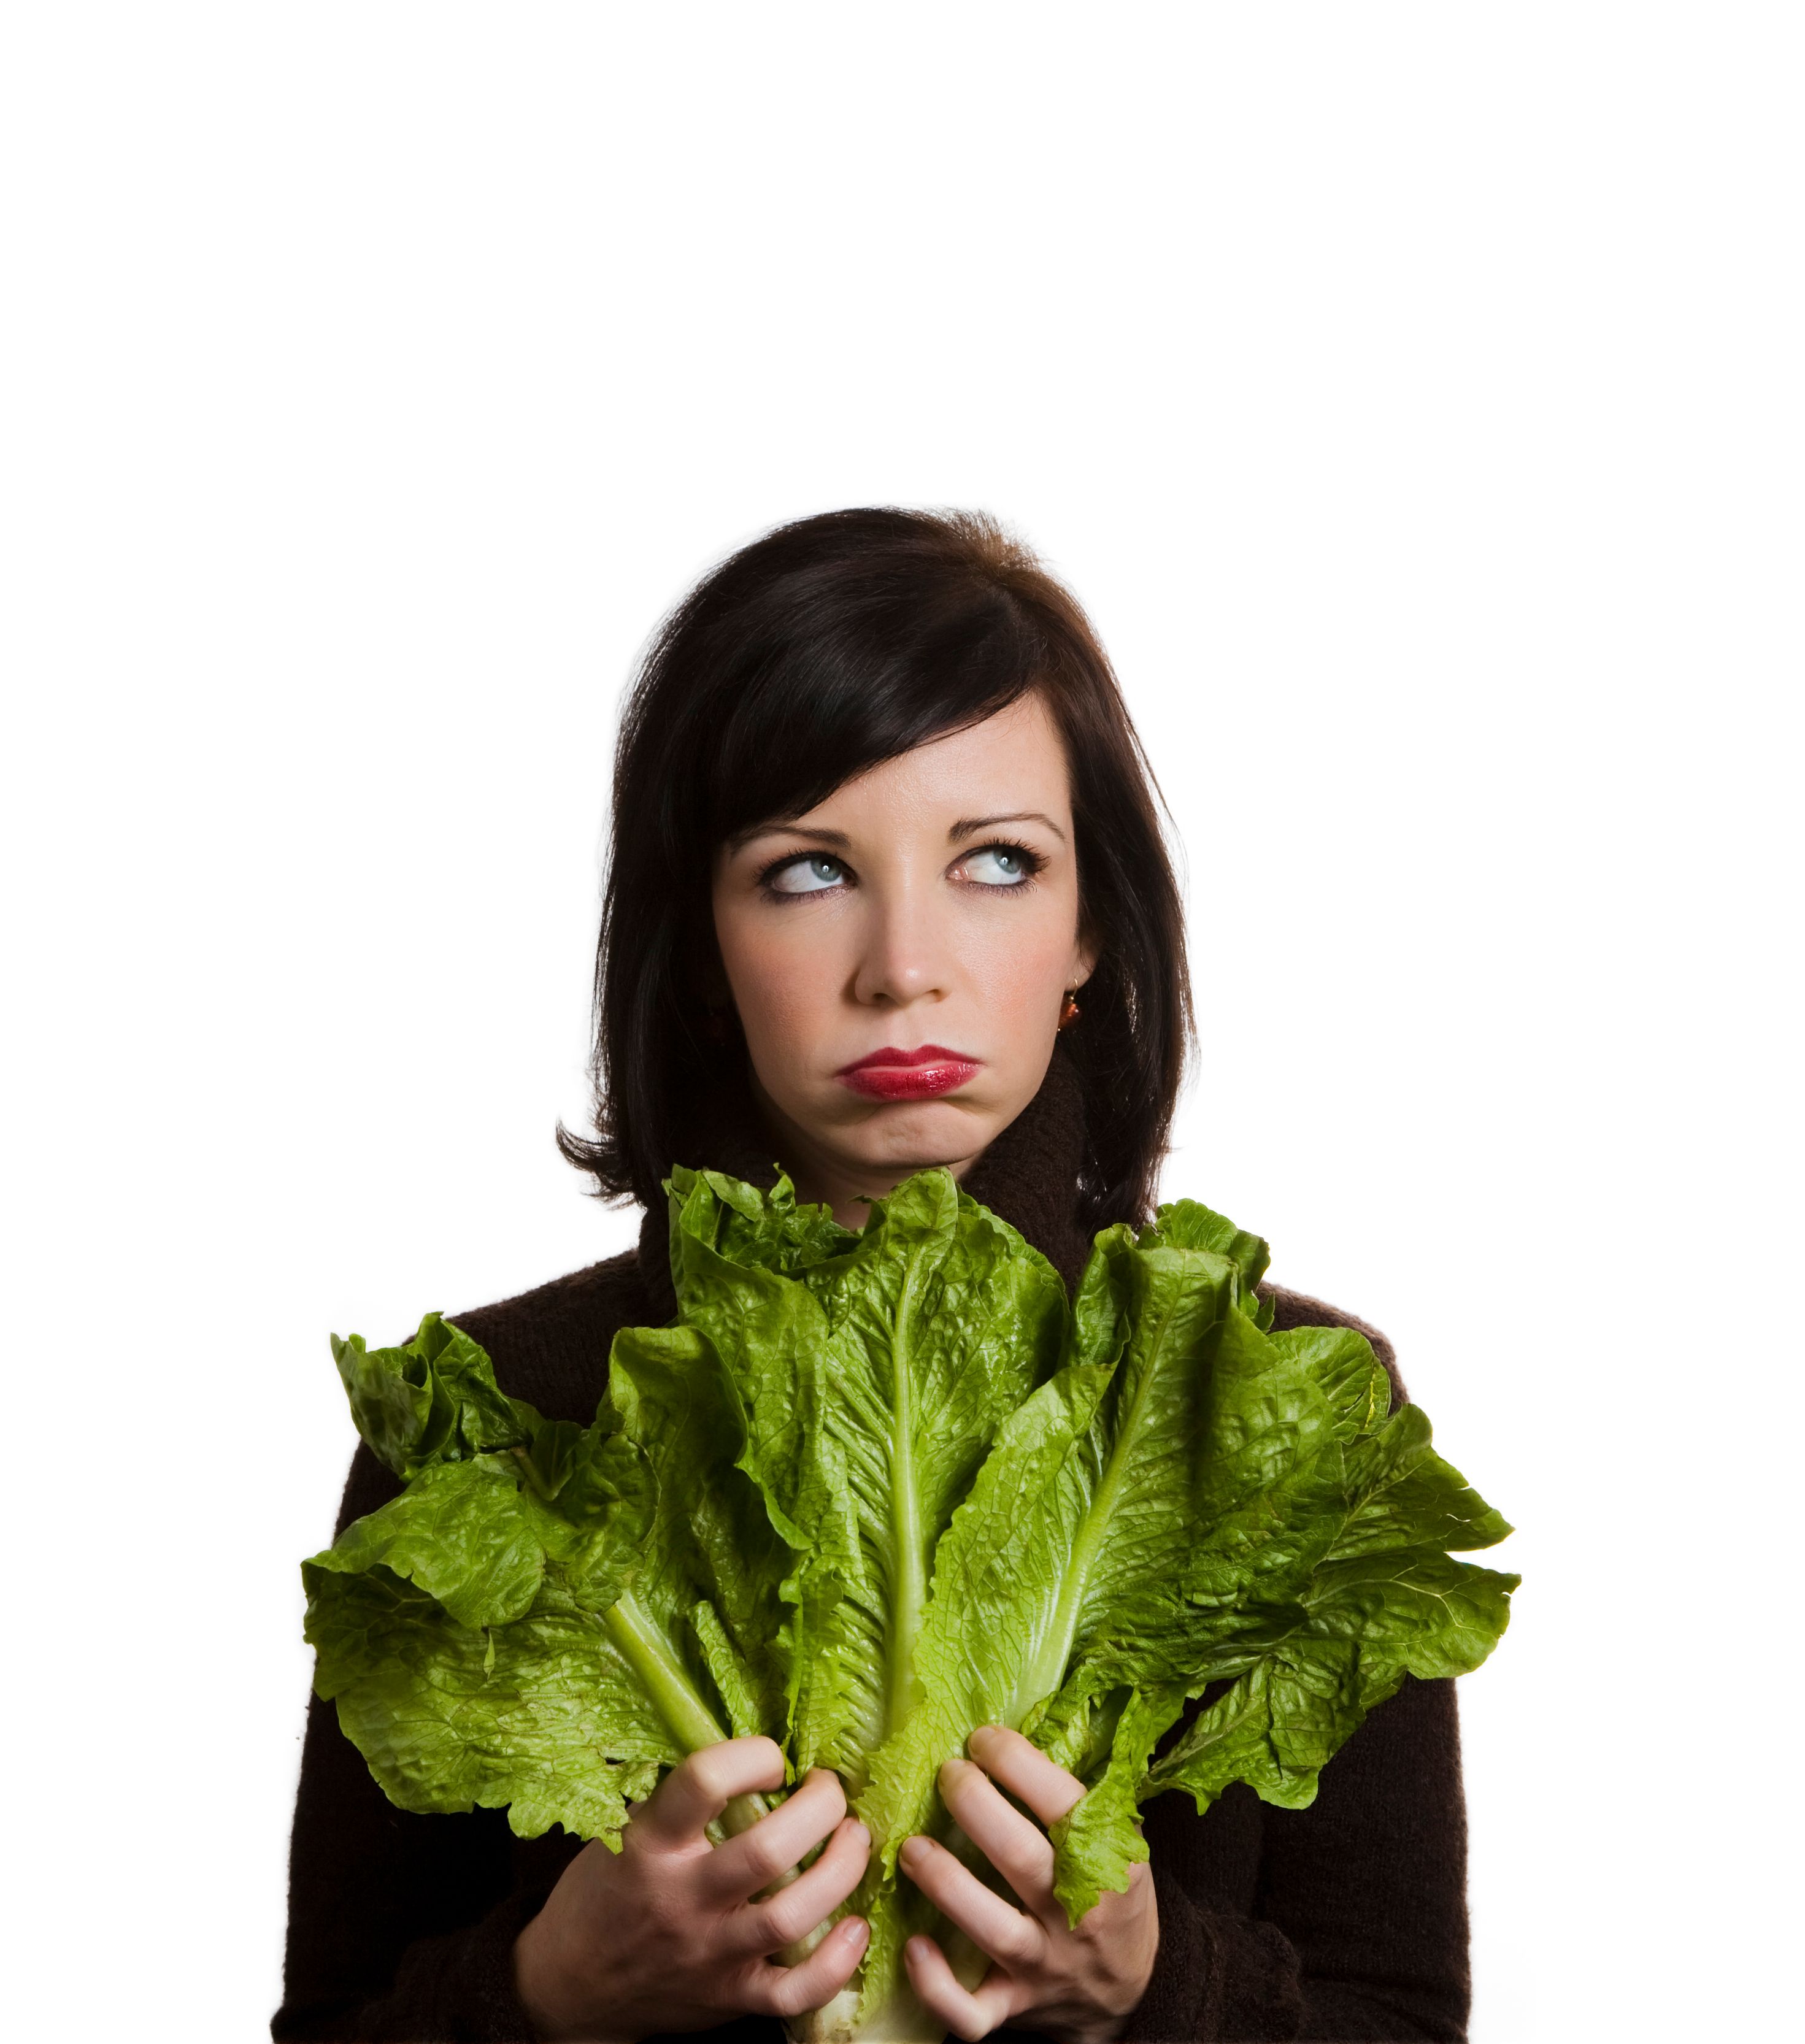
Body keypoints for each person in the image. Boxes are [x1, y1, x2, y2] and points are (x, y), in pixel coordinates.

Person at [275, 509, 1472, 2044]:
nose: (903, 962)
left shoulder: (1272, 1398)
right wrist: (546, 1994)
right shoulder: (493, 1423)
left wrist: (1159, 1990)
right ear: (698, 945)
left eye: (995, 861)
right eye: (804, 872)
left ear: (1092, 924)